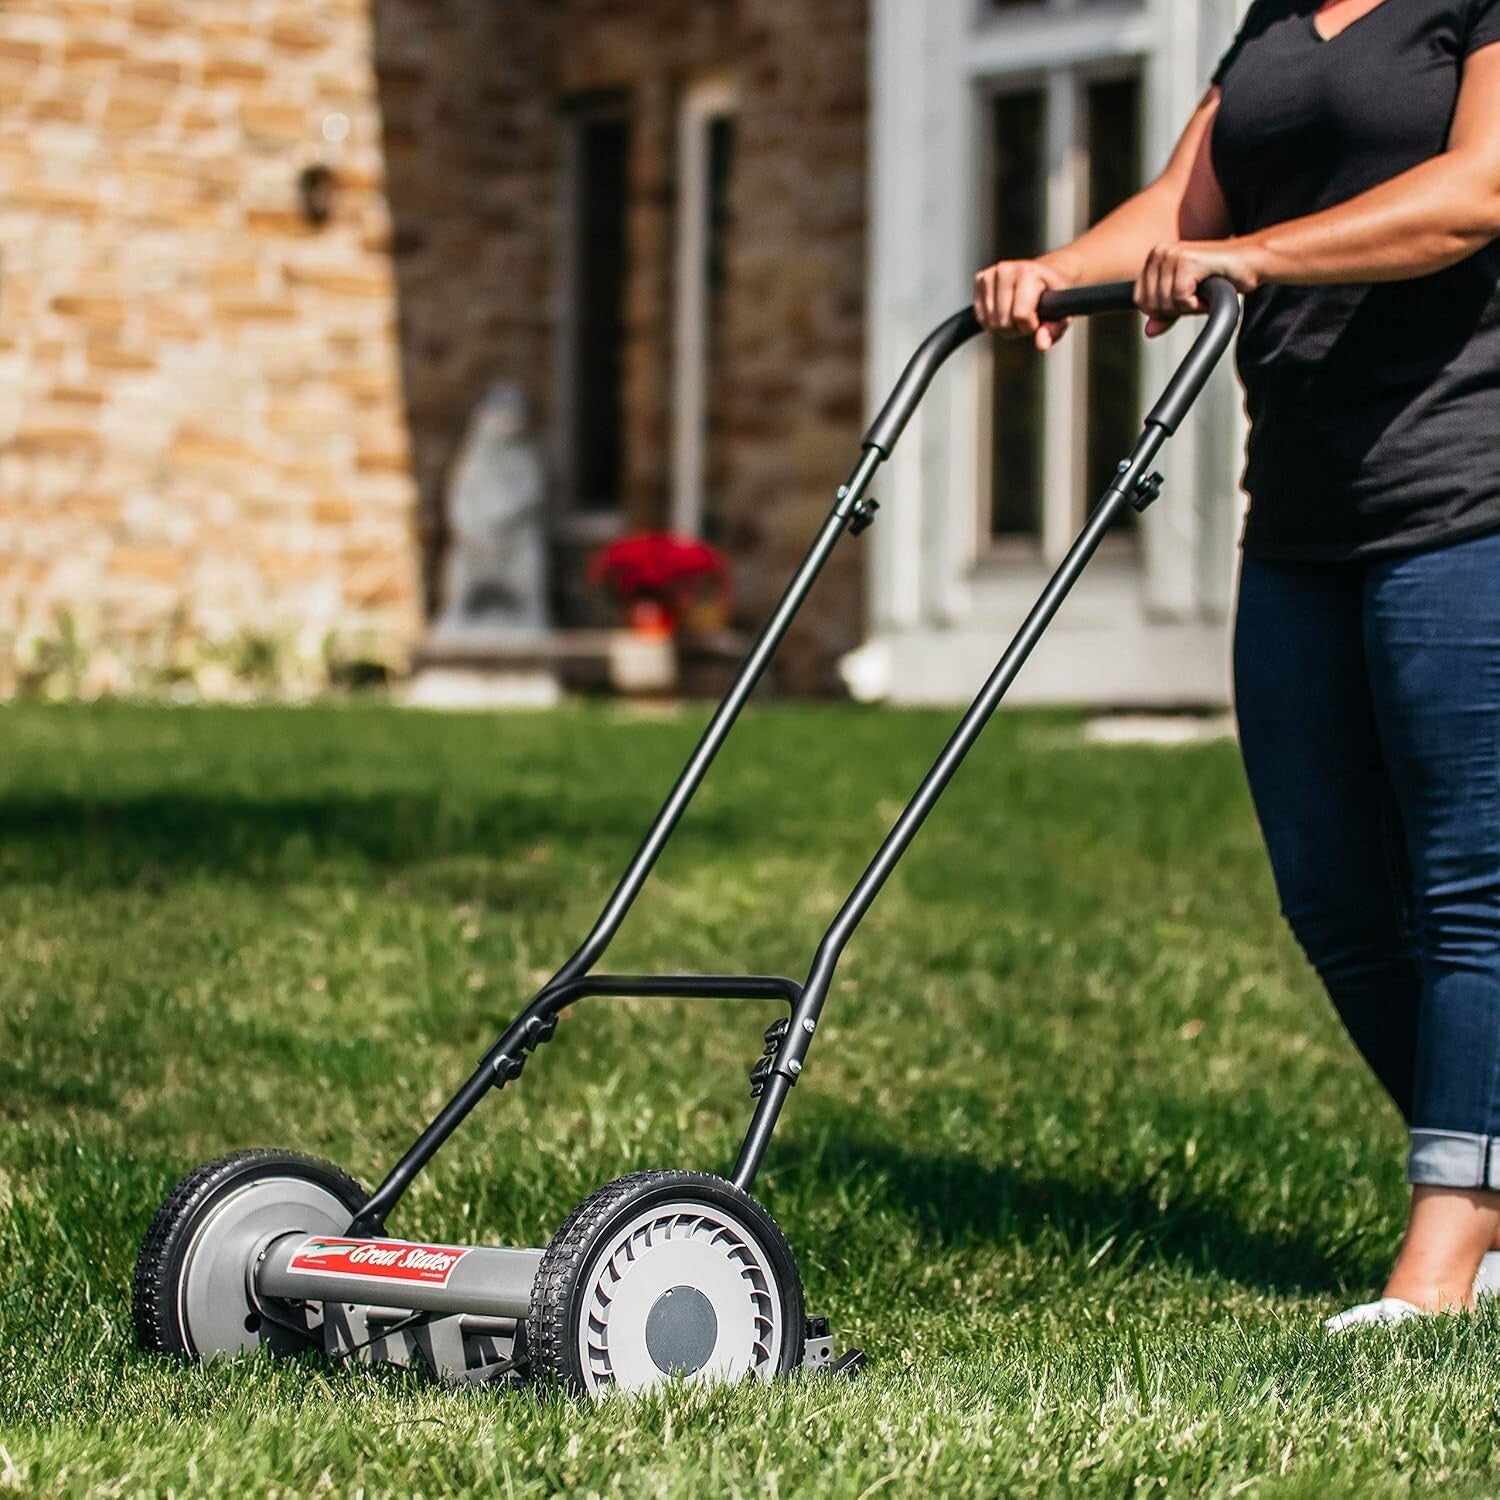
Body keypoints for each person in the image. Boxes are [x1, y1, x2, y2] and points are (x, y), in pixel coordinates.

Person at [974, 0, 1500, 1329]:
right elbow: (1175, 208)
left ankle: (1440, 1276)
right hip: (1307, 508)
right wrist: (1053, 271)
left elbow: (1475, 193)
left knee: (1471, 891)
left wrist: (1252, 258)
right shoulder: (1273, 19)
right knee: (1331, 894)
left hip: (1469, 487)